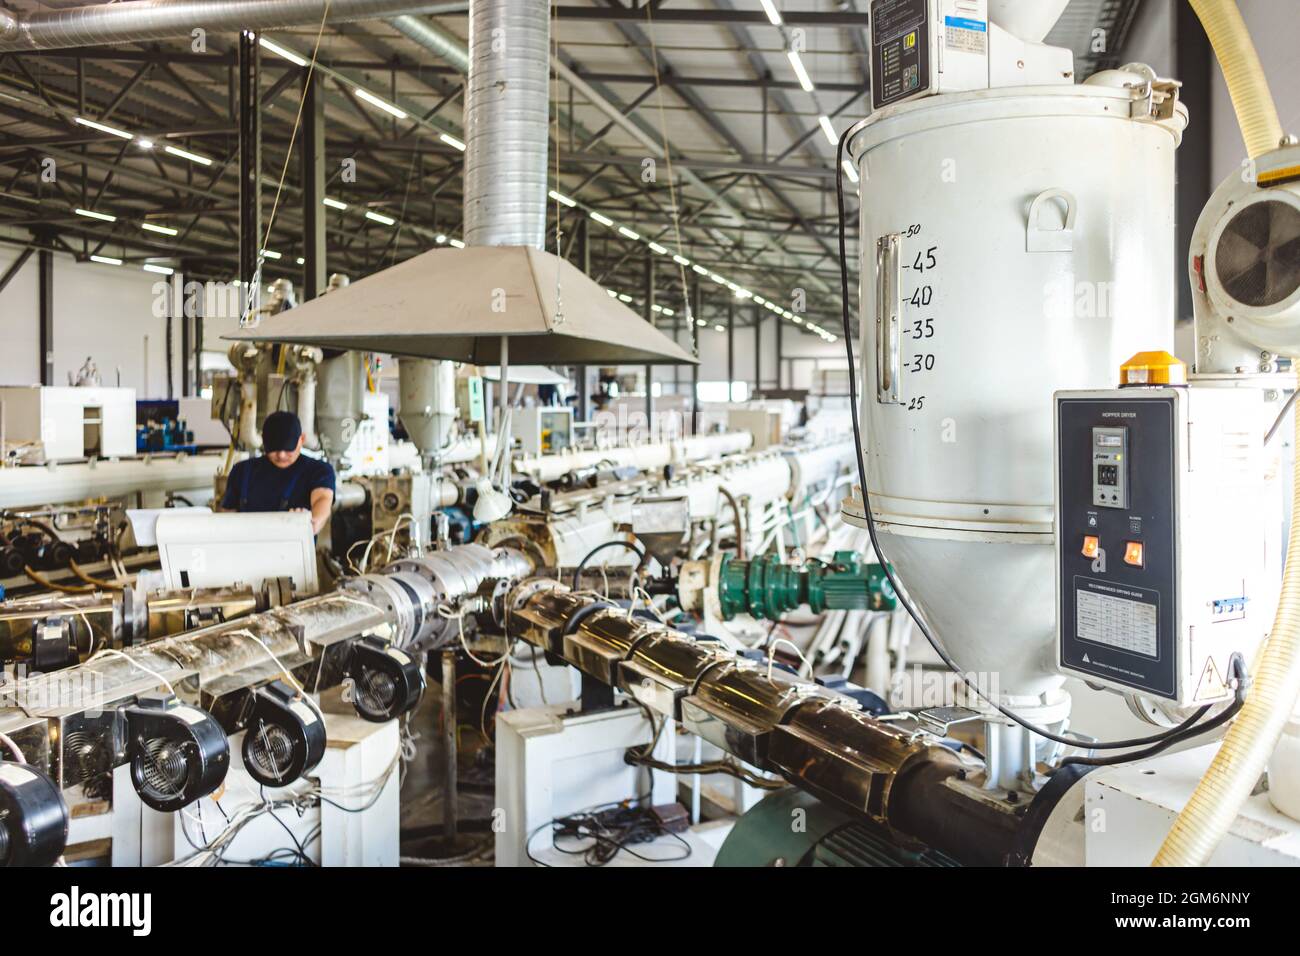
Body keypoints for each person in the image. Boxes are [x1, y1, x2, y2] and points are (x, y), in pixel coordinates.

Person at [220, 411, 335, 534]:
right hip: (246, 548)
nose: (281, 455)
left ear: (301, 439)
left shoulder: (319, 470)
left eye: (288, 448)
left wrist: (313, 522)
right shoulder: (242, 471)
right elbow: (227, 514)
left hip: (293, 550)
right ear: (263, 441)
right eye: (274, 449)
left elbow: (322, 499)